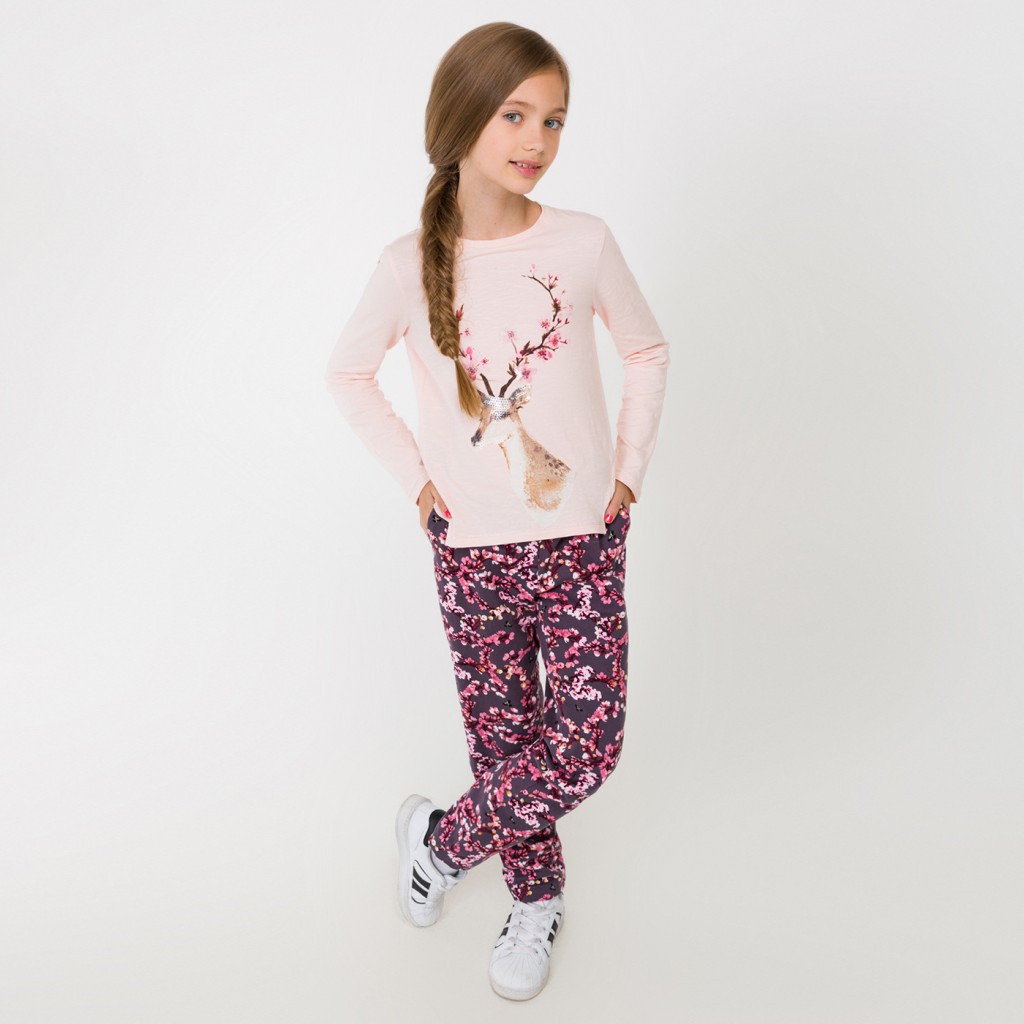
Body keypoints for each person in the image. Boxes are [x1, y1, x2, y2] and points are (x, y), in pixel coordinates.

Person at [324, 21, 670, 1002]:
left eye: (554, 120)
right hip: (472, 548)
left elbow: (645, 349)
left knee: (585, 744)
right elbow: (348, 373)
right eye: (515, 115)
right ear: (462, 119)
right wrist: (419, 481)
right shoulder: (407, 265)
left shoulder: (583, 242)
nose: (537, 140)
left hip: (582, 539)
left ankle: (441, 842)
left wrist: (627, 472)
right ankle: (534, 894)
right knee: (507, 741)